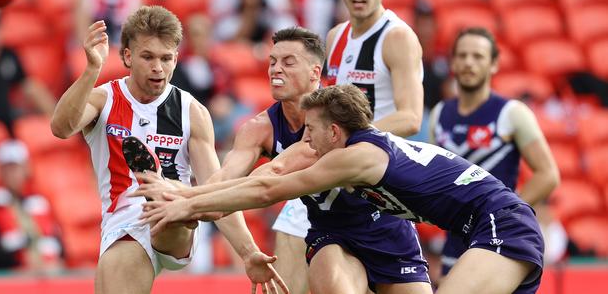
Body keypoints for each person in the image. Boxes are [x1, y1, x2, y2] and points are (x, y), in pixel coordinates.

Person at [137, 84, 546, 294]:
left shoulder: (356, 156)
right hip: (487, 225)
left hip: (499, 224)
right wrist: (187, 197)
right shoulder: (362, 148)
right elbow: (263, 180)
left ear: (334, 131)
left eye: (310, 130)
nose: (305, 138)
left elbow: (267, 190)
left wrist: (182, 198)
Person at [50, 5, 285, 294]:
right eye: (148, 57)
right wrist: (91, 70)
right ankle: (159, 189)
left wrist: (248, 252)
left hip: (178, 218)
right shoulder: (104, 100)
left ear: (176, 58)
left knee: (171, 204)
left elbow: (217, 188)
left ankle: (163, 190)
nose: (158, 68)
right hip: (123, 223)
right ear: (127, 56)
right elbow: (61, 128)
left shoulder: (192, 111)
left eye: (166, 58)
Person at [271, 0, 425, 293]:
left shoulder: (397, 37)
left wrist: (349, 137)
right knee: (290, 228)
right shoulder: (335, 36)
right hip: (339, 173)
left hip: (381, 177)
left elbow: (411, 117)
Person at [429, 27, 560, 278]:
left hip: (498, 238)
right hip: (455, 241)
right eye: (462, 56)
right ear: (453, 62)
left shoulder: (512, 113)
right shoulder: (439, 114)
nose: (469, 63)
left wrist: (506, 211)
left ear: (494, 64)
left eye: (478, 56)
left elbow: (548, 174)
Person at [0, 140, 63, 270]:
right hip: (11, 274)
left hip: (47, 271)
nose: (12, 173)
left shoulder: (41, 199)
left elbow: (58, 240)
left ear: (26, 168)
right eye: (7, 168)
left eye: (16, 167)